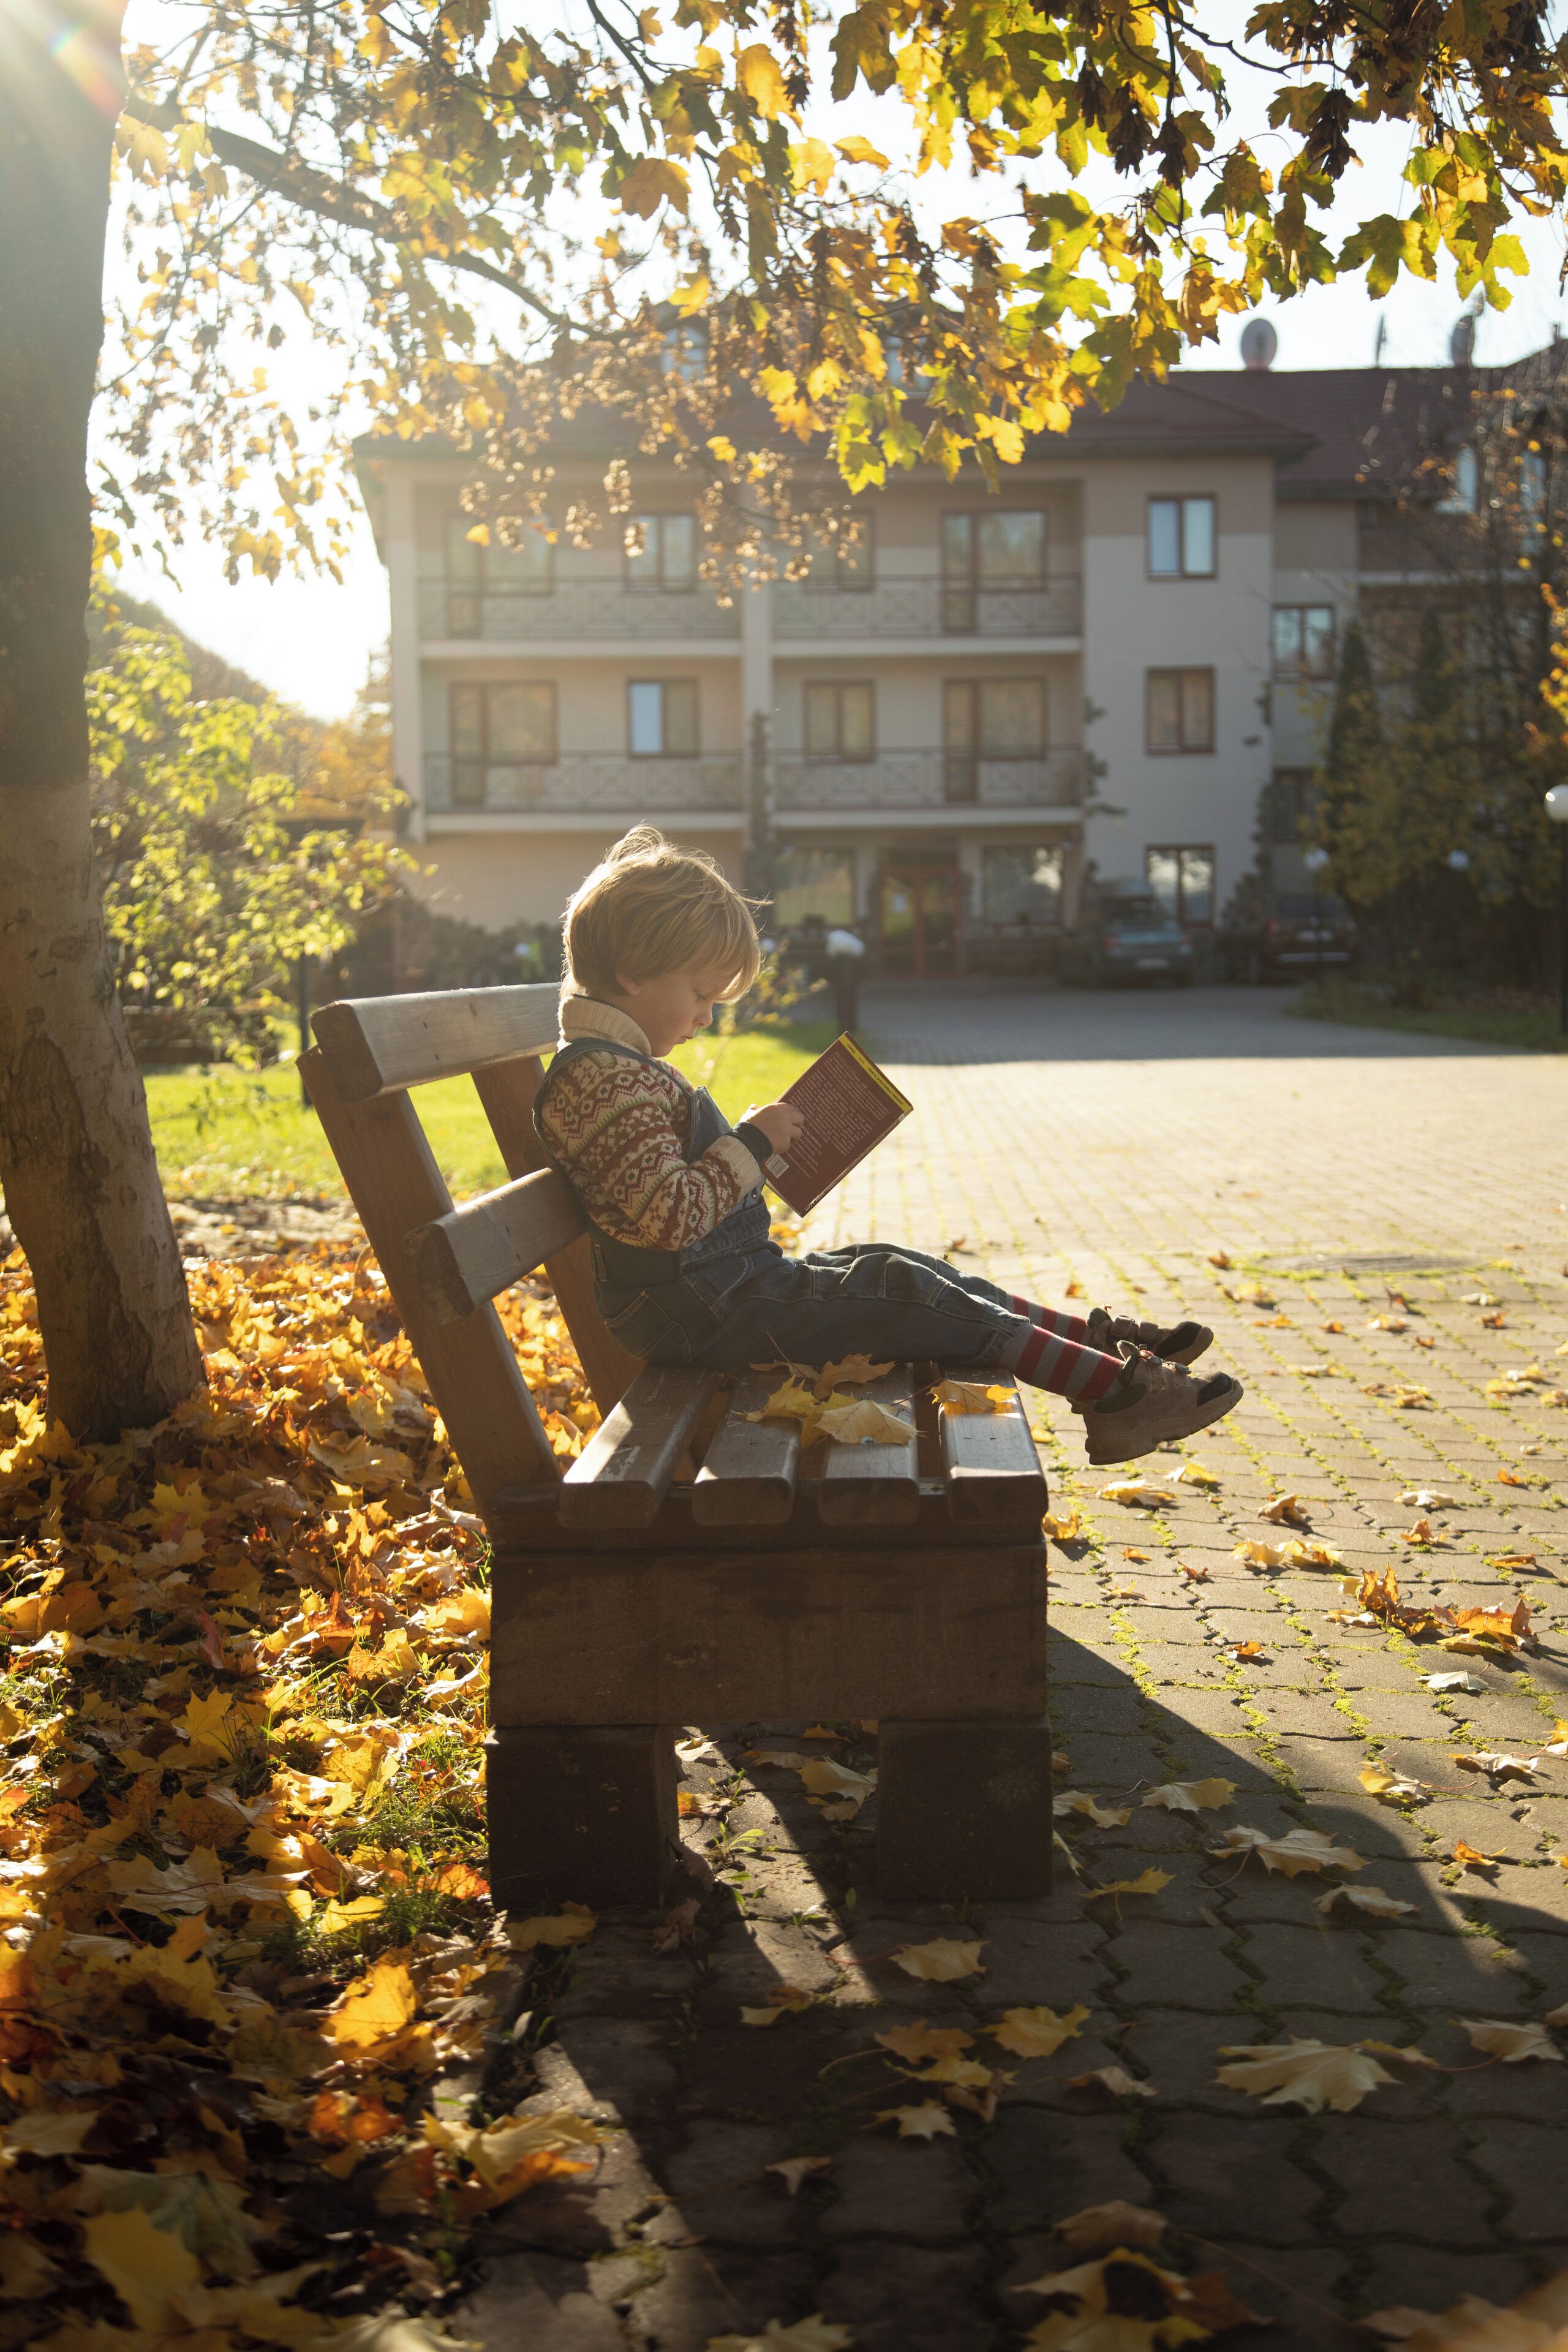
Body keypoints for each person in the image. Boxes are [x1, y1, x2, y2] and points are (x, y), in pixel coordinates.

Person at [533, 829, 1242, 1465]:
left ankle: (1096, 1348)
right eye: (698, 993)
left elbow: (666, 1196)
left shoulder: (615, 1068)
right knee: (902, 1290)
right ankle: (1113, 1393)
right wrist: (749, 1143)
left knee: (894, 1266)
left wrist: (755, 1145)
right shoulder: (602, 1078)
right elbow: (668, 1217)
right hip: (704, 1315)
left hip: (720, 1296)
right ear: (630, 973)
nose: (705, 1015)